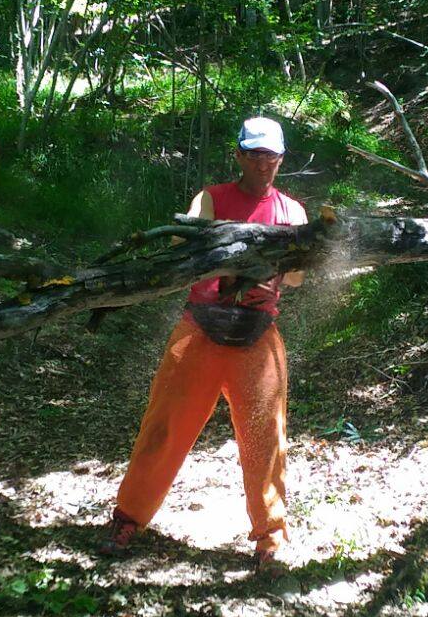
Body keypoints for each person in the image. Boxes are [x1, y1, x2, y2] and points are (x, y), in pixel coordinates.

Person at [99, 116, 308, 572]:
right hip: (200, 328)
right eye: (254, 155)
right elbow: (185, 247)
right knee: (164, 429)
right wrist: (230, 257)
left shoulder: (293, 212)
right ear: (239, 155)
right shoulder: (210, 199)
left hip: (257, 333)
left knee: (266, 439)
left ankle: (270, 537)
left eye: (271, 156)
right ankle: (128, 518)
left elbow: (295, 278)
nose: (263, 164)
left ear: (281, 159)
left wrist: (277, 262)